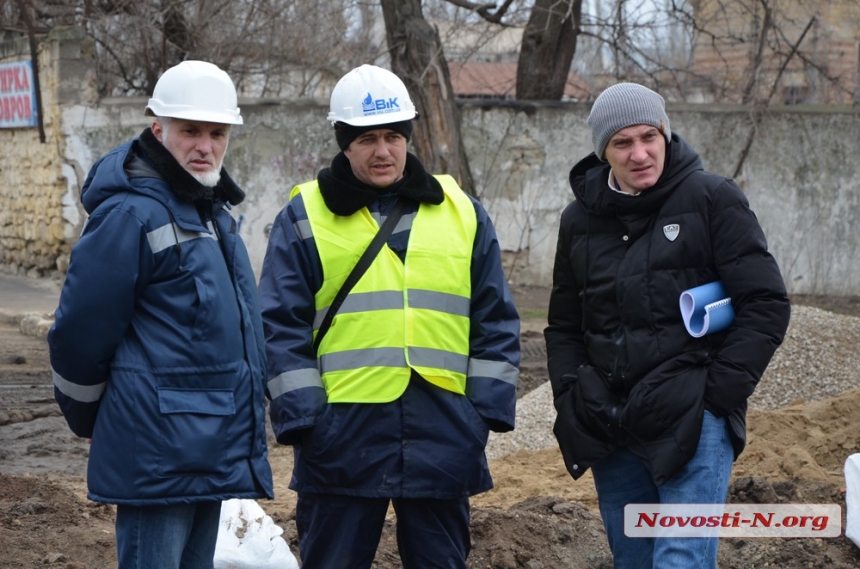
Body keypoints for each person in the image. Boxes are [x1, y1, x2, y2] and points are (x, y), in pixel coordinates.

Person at [258, 64, 520, 568]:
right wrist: (307, 421)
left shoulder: (462, 211)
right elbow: (278, 325)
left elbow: (495, 319)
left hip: (443, 428)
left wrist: (481, 414)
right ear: (344, 142)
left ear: (408, 136)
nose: (383, 151)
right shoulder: (304, 215)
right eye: (367, 139)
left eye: (394, 136)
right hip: (341, 434)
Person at [545, 83, 791, 568]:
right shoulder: (579, 221)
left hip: (691, 418)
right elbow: (563, 326)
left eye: (649, 137)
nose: (639, 154)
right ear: (603, 152)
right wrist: (573, 394)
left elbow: (765, 302)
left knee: (681, 559)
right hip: (610, 422)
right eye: (622, 143)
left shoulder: (711, 198)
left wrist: (716, 397)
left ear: (665, 134)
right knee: (633, 561)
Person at [48, 60, 274, 569]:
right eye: (190, 131)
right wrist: (87, 415)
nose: (205, 146)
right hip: (157, 451)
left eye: (217, 133)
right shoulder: (131, 214)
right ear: (158, 129)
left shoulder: (210, 213)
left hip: (206, 444)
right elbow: (80, 332)